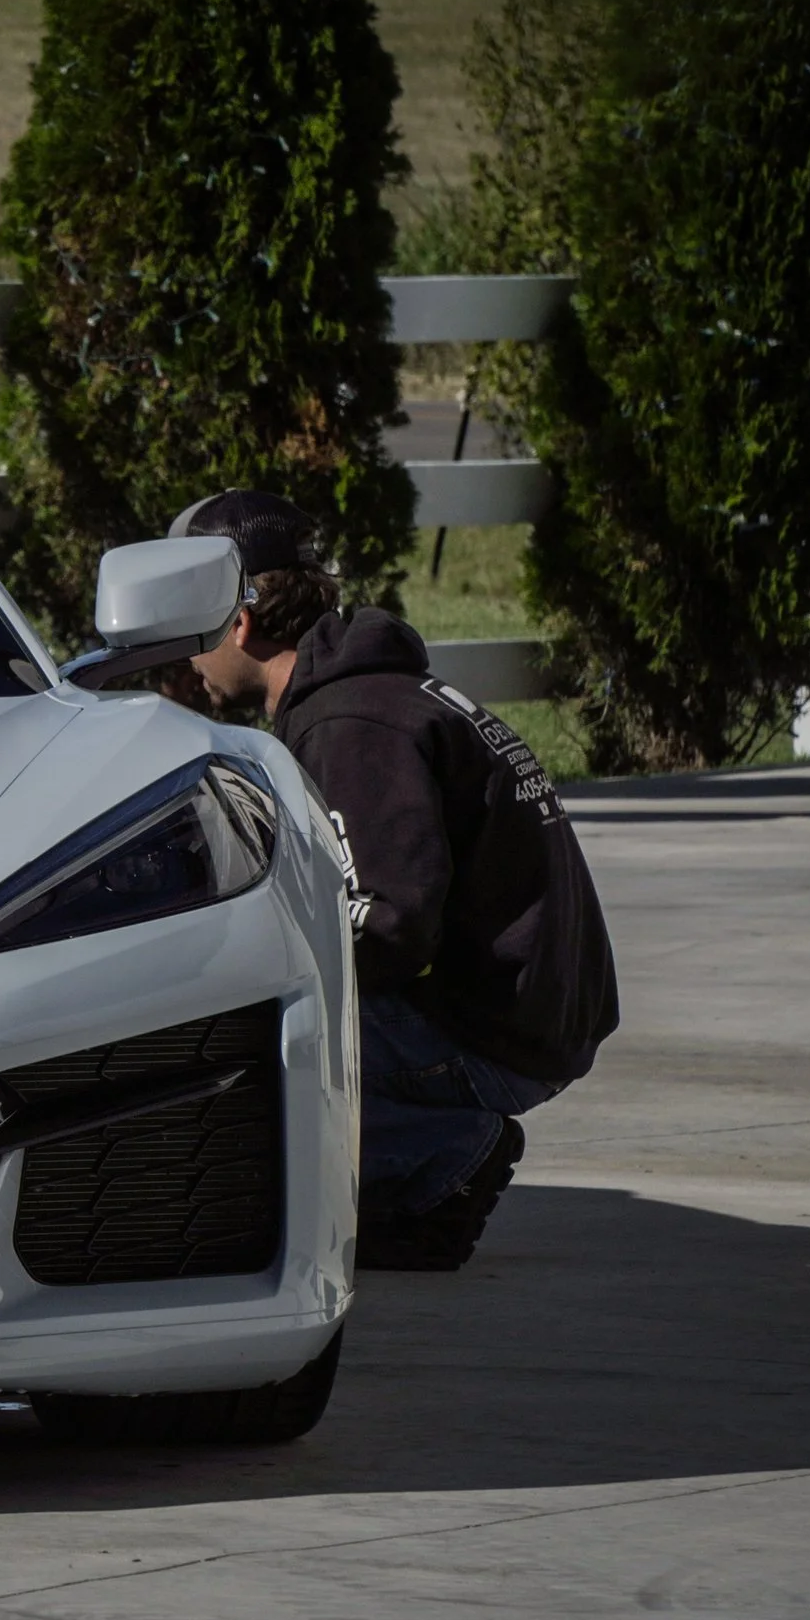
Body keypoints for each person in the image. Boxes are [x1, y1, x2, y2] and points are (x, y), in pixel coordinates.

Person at [173, 490, 619, 1269]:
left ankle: (442, 1153)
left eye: (192, 629)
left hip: (498, 1036)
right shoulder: (374, 693)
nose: (187, 656)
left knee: (227, 1047)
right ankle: (411, 1192)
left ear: (238, 623)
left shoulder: (350, 723)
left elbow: (387, 920)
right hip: (532, 1014)